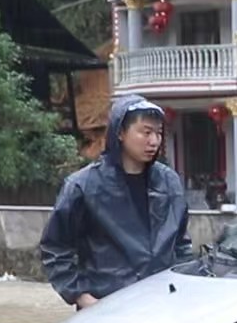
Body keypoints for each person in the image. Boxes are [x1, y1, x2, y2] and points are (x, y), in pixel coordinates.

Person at [40, 94, 194, 311]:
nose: (154, 141)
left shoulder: (169, 183)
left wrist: (185, 286)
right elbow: (55, 247)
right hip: (107, 305)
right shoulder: (83, 186)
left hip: (164, 305)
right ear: (120, 132)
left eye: (158, 133)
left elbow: (181, 244)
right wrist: (82, 297)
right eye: (146, 132)